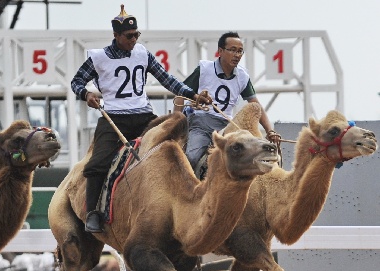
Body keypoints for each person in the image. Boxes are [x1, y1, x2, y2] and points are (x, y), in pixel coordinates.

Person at [71, 4, 212, 233]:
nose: (134, 39)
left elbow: (167, 80)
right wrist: (85, 94)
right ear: (116, 36)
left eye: (137, 34)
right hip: (114, 117)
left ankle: (185, 201)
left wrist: (193, 95)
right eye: (129, 36)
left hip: (144, 116)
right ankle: (92, 213)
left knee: (173, 147)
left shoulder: (142, 53)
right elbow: (76, 82)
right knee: (98, 163)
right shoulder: (97, 58)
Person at [174, 31, 279, 172]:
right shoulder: (205, 69)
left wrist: (270, 131)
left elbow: (255, 105)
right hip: (201, 125)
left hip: (227, 127)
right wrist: (176, 123)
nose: (237, 55)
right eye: (233, 50)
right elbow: (181, 93)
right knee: (191, 158)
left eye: (240, 51)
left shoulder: (242, 77)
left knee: (254, 158)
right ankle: (186, 191)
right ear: (220, 51)